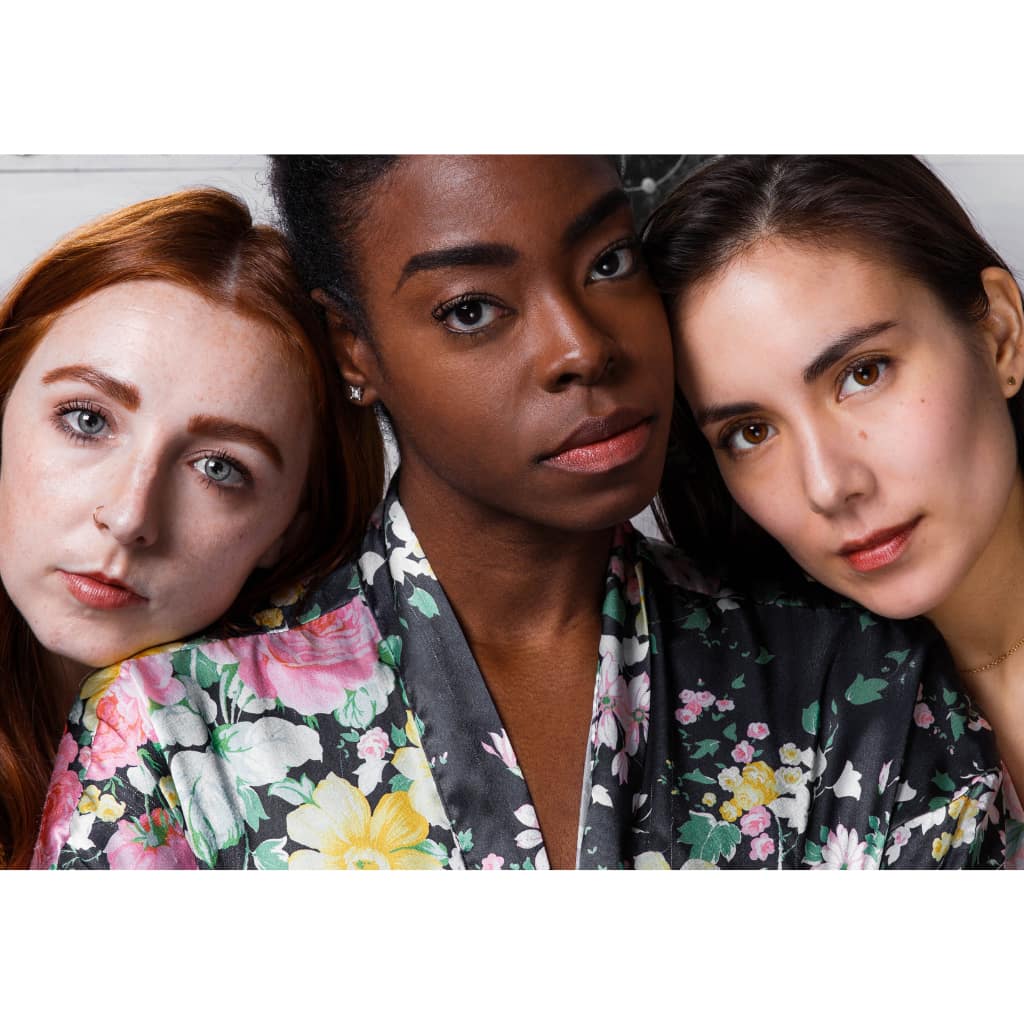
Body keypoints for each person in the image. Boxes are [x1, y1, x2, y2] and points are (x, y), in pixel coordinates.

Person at [36, 156, 1004, 870]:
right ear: (353, 349)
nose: (578, 346)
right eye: (470, 309)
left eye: (608, 261)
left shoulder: (853, 678)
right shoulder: (177, 730)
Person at [645, 154, 1024, 865]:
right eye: (750, 432)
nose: (827, 484)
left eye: (862, 373)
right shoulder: (751, 743)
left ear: (1000, 334)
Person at [0, 188, 384, 868]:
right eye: (86, 420)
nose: (128, 516)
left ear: (292, 529)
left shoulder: (338, 790)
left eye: (218, 467)